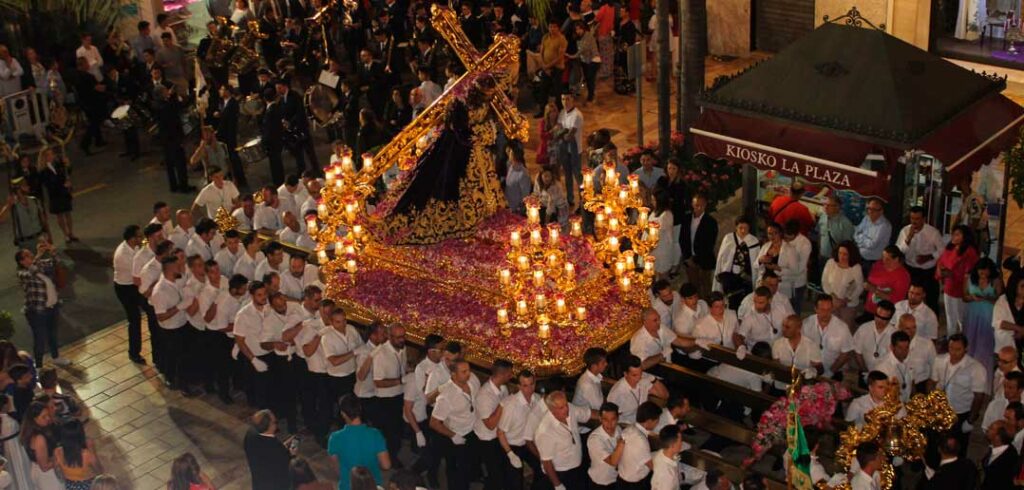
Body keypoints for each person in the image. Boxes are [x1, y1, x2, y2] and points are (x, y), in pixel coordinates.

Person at [928, 334, 986, 453]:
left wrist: (970, 421)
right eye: (951, 348)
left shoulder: (976, 368)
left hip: (960, 413)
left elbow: (979, 396)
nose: (954, 352)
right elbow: (932, 382)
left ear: (966, 348)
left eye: (958, 349)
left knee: (958, 447)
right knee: (935, 444)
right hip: (940, 411)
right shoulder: (939, 360)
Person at [429, 358, 479, 490]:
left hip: (471, 431)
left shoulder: (471, 381)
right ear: (453, 374)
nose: (468, 374)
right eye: (464, 372)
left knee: (468, 467)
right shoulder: (446, 396)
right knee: (455, 471)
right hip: (455, 437)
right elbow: (434, 423)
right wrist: (453, 436)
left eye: (468, 370)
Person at [16, 242, 67, 367]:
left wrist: (53, 252)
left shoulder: (40, 264)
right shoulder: (22, 273)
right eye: (28, 255)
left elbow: (55, 264)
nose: (32, 255)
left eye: (31, 254)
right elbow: (32, 272)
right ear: (22, 261)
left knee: (53, 334)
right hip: (37, 312)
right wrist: (38, 256)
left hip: (52, 307)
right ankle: (38, 366)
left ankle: (56, 357)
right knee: (40, 340)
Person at [329, 395, 390, 490]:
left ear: (343, 414)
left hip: (348, 486)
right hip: (372, 484)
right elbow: (386, 465)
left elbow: (336, 467)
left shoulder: (335, 438)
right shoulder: (375, 434)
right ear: (360, 409)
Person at [535, 391, 591, 490]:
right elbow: (547, 463)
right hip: (561, 474)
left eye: (566, 404)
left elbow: (587, 413)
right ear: (552, 410)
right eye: (561, 408)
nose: (566, 409)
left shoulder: (569, 408)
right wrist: (557, 485)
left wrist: (605, 415)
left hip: (576, 469)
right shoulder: (545, 431)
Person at [896, 206, 944, 310]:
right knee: (908, 297)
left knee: (931, 299)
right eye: (912, 218)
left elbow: (942, 250)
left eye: (917, 219)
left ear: (923, 219)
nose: (914, 222)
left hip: (928, 271)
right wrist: (908, 239)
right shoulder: (905, 231)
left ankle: (932, 322)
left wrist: (930, 256)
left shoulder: (933, 232)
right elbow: (899, 252)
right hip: (910, 268)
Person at [962, 258, 1001, 377]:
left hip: (988, 315)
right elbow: (964, 297)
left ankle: (984, 375)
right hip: (972, 315)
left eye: (985, 272)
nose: (983, 274)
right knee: (969, 342)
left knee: (985, 345)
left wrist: (987, 298)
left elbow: (1000, 301)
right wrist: (972, 297)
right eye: (981, 272)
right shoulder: (969, 278)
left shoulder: (996, 281)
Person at [936, 225, 979, 335]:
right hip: (948, 287)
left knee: (962, 318)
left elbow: (970, 272)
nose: (954, 237)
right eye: (953, 234)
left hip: (962, 289)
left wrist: (952, 273)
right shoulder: (950, 247)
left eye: (957, 234)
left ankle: (964, 342)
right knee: (950, 318)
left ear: (965, 236)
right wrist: (941, 271)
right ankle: (950, 341)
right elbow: (941, 261)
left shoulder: (970, 251)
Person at [712, 216, 760, 308]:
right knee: (732, 302)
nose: (743, 231)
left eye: (745, 228)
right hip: (731, 278)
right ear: (736, 227)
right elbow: (722, 257)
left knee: (746, 302)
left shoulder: (753, 241)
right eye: (740, 228)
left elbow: (756, 260)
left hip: (746, 279)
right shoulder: (729, 238)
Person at [802, 294, 854, 379]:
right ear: (815, 309)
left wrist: (830, 372)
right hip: (810, 369)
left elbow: (845, 353)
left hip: (834, 371)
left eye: (829, 310)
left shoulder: (842, 327)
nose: (826, 313)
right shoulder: (806, 324)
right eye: (822, 310)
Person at [243, 410, 296, 490]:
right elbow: (285, 464)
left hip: (260, 483)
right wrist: (292, 454)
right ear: (270, 426)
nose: (276, 424)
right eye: (275, 422)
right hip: (276, 485)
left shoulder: (250, 433)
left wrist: (283, 447)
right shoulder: (274, 446)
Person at [607, 355, 669, 423]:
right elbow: (610, 419)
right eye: (634, 375)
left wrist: (653, 379)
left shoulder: (643, 379)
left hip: (644, 421)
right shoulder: (616, 393)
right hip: (627, 426)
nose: (638, 378)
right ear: (625, 374)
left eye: (640, 373)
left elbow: (664, 395)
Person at [679, 194, 718, 298]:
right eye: (696, 205)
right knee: (693, 286)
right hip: (689, 259)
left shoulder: (711, 222)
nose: (698, 208)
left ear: (705, 205)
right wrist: (687, 257)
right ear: (692, 204)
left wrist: (695, 259)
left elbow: (709, 244)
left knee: (705, 286)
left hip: (704, 260)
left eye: (701, 205)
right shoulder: (686, 219)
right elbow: (682, 239)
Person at [820, 241, 864, 329]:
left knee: (845, 329)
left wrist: (845, 300)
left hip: (848, 304)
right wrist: (833, 297)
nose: (842, 256)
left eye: (845, 254)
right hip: (832, 302)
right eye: (840, 253)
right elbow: (824, 282)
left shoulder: (856, 267)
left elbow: (859, 287)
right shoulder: (831, 263)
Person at [37, 147, 76, 243]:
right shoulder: (43, 170)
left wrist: (68, 164)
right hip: (55, 194)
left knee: (68, 213)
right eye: (49, 155)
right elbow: (49, 183)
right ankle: (65, 234)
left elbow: (67, 172)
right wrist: (63, 184)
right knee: (60, 215)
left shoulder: (58, 164)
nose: (52, 156)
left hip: (64, 192)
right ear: (45, 157)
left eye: (52, 154)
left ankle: (71, 232)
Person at [756, 222, 799, 308]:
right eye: (769, 233)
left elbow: (795, 272)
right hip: (764, 285)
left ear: (780, 233)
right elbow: (755, 265)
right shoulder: (765, 246)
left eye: (775, 233)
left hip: (782, 286)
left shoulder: (789, 249)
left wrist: (778, 269)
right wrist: (760, 261)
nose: (772, 236)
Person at [20, 401, 60, 489]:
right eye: (43, 417)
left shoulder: (30, 432)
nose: (48, 418)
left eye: (48, 415)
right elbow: (45, 467)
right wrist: (60, 458)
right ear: (34, 419)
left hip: (38, 471)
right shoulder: (39, 438)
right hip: (47, 476)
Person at [815, 194, 855, 278]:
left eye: (829, 205)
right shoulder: (823, 217)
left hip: (835, 260)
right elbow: (820, 235)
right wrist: (819, 251)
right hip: (822, 256)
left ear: (837, 207)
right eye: (824, 204)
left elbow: (847, 246)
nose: (825, 207)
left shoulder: (845, 224)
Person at [852, 300, 897, 375]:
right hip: (864, 370)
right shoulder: (864, 328)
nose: (879, 320)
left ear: (890, 319)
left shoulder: (894, 335)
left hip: (885, 374)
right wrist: (864, 370)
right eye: (877, 316)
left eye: (884, 318)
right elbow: (857, 351)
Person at [864, 246, 910, 317]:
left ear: (896, 259)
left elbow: (896, 300)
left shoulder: (903, 276)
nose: (883, 261)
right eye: (883, 257)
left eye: (887, 259)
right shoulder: (879, 264)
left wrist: (875, 290)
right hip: (869, 306)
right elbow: (870, 279)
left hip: (884, 313)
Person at [54, 420, 100, 490]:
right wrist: (92, 449)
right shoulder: (86, 454)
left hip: (69, 485)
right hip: (86, 485)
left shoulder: (57, 451)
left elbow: (57, 470)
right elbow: (98, 469)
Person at [557, 93, 584, 207]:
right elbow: (558, 128)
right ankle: (570, 199)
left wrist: (561, 133)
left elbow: (569, 135)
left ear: (572, 99)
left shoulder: (577, 115)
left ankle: (584, 200)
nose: (565, 101)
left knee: (578, 176)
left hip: (575, 151)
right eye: (563, 99)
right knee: (567, 176)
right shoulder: (562, 113)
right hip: (565, 150)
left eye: (567, 99)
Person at [0, 395, 31, 490]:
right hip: (16, 449)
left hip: (5, 451)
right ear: (5, 406)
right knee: (20, 472)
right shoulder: (10, 422)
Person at [854, 197, 892, 273]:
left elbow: (872, 245)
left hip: (873, 262)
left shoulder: (884, 225)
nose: (870, 212)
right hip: (860, 258)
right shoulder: (866, 218)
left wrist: (860, 239)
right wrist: (865, 239)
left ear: (881, 211)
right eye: (869, 209)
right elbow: (856, 233)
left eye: (874, 210)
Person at [782, 219, 812, 313]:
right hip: (784, 282)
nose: (786, 240)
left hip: (797, 282)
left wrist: (780, 270)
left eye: (789, 237)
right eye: (785, 237)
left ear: (796, 234)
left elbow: (800, 268)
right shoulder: (783, 239)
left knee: (795, 308)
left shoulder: (805, 244)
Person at [876, 331, 914, 401]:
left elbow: (912, 382)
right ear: (891, 347)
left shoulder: (910, 359)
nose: (904, 351)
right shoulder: (883, 368)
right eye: (900, 348)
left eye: (906, 348)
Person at [649, 190, 678, 279]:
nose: (652, 202)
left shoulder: (666, 214)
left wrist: (645, 228)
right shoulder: (654, 212)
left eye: (654, 200)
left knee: (662, 276)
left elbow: (658, 233)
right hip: (654, 248)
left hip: (662, 249)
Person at [993, 277, 1024, 362]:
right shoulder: (1003, 300)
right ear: (1015, 286)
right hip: (1004, 349)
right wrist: (1020, 329)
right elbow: (999, 323)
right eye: (1022, 286)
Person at [981, 420, 1018, 489]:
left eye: (991, 428)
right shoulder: (994, 449)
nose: (987, 429)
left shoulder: (1009, 457)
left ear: (998, 437)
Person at [650, 424, 684, 490]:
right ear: (672, 446)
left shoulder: (662, 452)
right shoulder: (667, 476)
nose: (682, 443)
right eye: (680, 441)